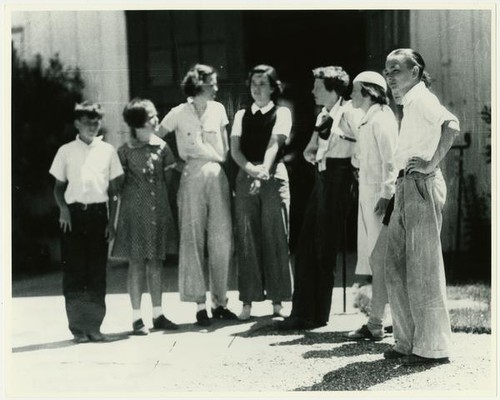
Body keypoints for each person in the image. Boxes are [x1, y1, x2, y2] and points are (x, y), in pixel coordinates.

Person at [381, 48, 460, 366]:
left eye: (396, 70)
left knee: (423, 270)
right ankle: (407, 341)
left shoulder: (423, 99)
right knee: (396, 266)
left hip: (420, 185)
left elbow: (451, 125)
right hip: (404, 185)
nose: (390, 76)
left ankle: (433, 349)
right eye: (387, 71)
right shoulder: (410, 103)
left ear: (415, 72)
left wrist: (429, 164)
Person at [278, 66, 362, 330]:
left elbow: (365, 142)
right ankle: (303, 311)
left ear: (333, 88)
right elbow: (308, 151)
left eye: (317, 87)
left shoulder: (349, 112)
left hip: (340, 177)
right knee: (306, 244)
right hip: (322, 177)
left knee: (324, 246)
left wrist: (354, 166)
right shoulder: (324, 114)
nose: (313, 91)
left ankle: (317, 314)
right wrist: (315, 147)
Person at [159, 64, 237, 326]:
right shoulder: (179, 112)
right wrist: (175, 164)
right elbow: (157, 137)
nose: (216, 88)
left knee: (222, 238)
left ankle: (221, 302)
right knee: (192, 239)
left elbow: (224, 149)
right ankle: (200, 305)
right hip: (191, 174)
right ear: (198, 84)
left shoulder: (218, 110)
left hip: (216, 173)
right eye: (211, 83)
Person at [49, 101, 123, 343]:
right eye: (87, 121)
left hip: (98, 217)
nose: (92, 126)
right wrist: (63, 211)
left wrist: (111, 222)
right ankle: (78, 329)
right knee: (74, 272)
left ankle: (94, 327)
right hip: (73, 217)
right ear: (77, 123)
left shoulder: (108, 151)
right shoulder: (66, 151)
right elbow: (59, 188)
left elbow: (114, 191)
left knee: (96, 273)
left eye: (96, 121)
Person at [230, 65, 293, 320]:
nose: (257, 88)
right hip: (246, 176)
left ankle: (278, 300)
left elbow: (274, 144)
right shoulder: (241, 115)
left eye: (263, 83)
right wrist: (252, 171)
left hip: (273, 175)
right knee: (247, 239)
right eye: (253, 83)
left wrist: (264, 170)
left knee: (276, 235)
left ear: (273, 87)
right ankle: (248, 301)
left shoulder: (282, 112)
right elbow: (235, 150)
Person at [113, 98, 179, 335]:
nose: (156, 119)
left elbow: (169, 182)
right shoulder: (124, 152)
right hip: (134, 216)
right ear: (139, 122)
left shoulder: (162, 148)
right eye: (151, 116)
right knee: (137, 264)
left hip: (157, 213)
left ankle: (158, 314)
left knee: (156, 262)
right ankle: (136, 318)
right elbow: (118, 187)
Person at [344, 71, 398, 341]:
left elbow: (392, 161)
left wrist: (387, 194)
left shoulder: (381, 119)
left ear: (368, 92)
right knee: (377, 262)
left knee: (382, 261)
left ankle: (379, 322)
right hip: (369, 198)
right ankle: (380, 322)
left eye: (355, 90)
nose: (351, 95)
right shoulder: (368, 119)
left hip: (380, 199)